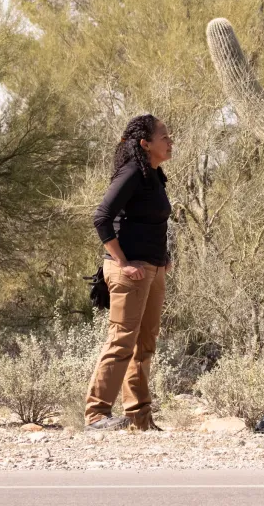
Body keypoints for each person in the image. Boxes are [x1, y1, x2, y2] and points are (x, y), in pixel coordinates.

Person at [84, 114, 174, 431]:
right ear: (145, 143)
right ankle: (97, 414)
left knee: (145, 344)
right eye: (164, 136)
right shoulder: (133, 171)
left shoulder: (154, 175)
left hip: (151, 268)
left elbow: (152, 221)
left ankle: (139, 418)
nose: (170, 140)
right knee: (122, 341)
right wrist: (122, 262)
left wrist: (163, 256)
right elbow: (102, 217)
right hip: (129, 271)